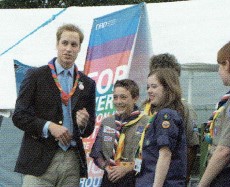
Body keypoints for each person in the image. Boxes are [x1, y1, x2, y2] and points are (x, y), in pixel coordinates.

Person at [12, 24, 96, 187]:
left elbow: (89, 129)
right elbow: (19, 116)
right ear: (57, 45)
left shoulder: (88, 83)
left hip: (72, 160)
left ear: (79, 48)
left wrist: (84, 124)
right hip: (39, 158)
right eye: (64, 43)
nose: (68, 49)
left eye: (74, 45)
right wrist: (48, 126)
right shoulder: (36, 76)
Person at [144, 53, 199, 183]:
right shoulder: (147, 107)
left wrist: (184, 177)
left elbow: (192, 146)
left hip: (169, 177)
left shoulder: (184, 108)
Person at [90, 79, 149, 187]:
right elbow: (96, 153)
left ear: (135, 98)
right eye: (115, 97)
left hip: (134, 179)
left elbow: (149, 157)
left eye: (123, 97)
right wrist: (107, 168)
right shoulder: (108, 122)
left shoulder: (146, 122)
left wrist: (126, 169)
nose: (118, 102)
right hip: (109, 178)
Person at [198, 39, 230, 187]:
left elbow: (225, 150)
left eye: (219, 65)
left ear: (227, 64)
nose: (218, 71)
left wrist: (202, 184)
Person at [136, 68, 187, 187]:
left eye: (154, 86)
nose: (149, 91)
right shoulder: (157, 116)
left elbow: (165, 154)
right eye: (148, 87)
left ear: (168, 88)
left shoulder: (166, 115)